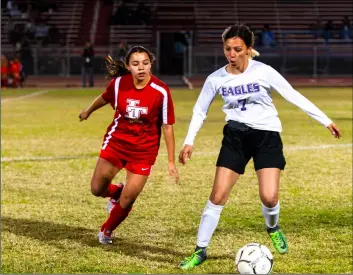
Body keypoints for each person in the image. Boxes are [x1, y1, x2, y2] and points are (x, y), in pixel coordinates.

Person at [177, 24, 341, 270]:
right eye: (227, 49)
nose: (231, 54)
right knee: (218, 195)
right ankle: (200, 250)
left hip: (267, 136)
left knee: (269, 196)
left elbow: (292, 94)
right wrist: (189, 140)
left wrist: (325, 120)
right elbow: (200, 110)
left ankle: (272, 228)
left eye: (237, 49)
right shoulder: (216, 79)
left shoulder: (264, 72)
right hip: (235, 136)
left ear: (249, 50)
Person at [79, 46, 179, 244]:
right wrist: (88, 111)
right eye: (135, 64)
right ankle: (115, 192)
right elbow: (104, 98)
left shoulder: (161, 91)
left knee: (129, 199)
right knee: (97, 189)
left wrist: (170, 161)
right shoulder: (119, 84)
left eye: (145, 63)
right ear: (128, 66)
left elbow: (167, 127)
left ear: (151, 64)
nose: (141, 68)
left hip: (143, 151)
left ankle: (106, 230)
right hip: (117, 143)